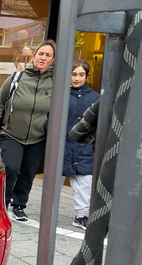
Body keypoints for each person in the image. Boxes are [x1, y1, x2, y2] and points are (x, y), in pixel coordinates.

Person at [0, 40, 56, 221]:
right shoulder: (17, 78)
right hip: (11, 133)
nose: (43, 57)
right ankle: (3, 202)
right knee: (11, 168)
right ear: (34, 56)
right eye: (41, 53)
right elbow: (0, 102)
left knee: (28, 172)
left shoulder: (55, 84)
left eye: (48, 55)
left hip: (38, 136)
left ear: (53, 60)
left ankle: (19, 206)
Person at [63, 59, 100, 230]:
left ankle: (81, 215)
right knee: (55, 181)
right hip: (63, 147)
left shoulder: (96, 98)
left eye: (81, 74)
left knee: (84, 183)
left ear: (87, 76)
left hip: (85, 148)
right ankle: (48, 211)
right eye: (73, 74)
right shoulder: (60, 96)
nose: (77, 78)